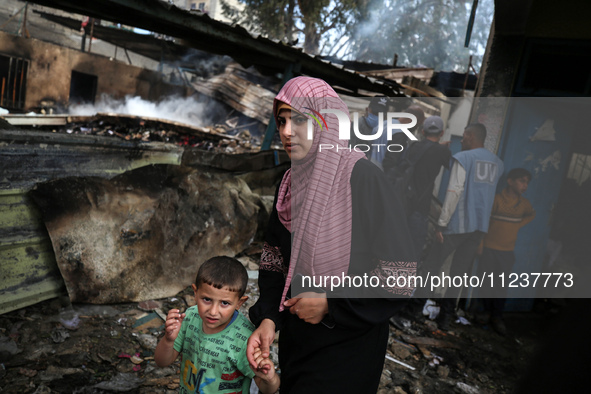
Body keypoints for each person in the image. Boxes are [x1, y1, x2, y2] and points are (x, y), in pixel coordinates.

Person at [247, 76, 416, 393]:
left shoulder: (363, 179)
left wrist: (331, 303)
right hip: (299, 342)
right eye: (281, 120)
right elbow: (274, 260)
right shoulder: (290, 183)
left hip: (349, 345)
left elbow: (399, 274)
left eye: (298, 119)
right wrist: (269, 318)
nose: (285, 132)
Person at [420, 123, 504, 330]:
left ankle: (412, 308)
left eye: (465, 136)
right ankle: (446, 318)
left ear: (471, 136)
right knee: (459, 274)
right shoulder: (497, 164)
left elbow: (453, 192)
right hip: (479, 227)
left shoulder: (464, 158)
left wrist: (441, 223)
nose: (462, 140)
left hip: (457, 224)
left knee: (431, 265)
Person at [154, 256, 280, 394]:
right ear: (195, 293)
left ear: (239, 302)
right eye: (207, 299)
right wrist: (168, 340)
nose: (213, 312)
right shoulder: (190, 317)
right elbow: (162, 361)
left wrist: (270, 379)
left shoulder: (245, 339)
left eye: (224, 303)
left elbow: (267, 389)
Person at [476, 168, 535, 335]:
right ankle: (486, 312)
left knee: (501, 285)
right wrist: (480, 244)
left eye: (527, 183)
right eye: (521, 181)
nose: (525, 185)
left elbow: (531, 215)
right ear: (510, 181)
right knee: (486, 282)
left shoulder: (524, 204)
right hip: (489, 249)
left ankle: (497, 316)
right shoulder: (496, 200)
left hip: (507, 252)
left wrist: (516, 225)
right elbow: (483, 222)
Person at [398, 115, 451, 258]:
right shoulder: (443, 152)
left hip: (402, 205)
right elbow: (453, 169)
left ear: (422, 131)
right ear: (441, 133)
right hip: (420, 208)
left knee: (396, 248)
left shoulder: (414, 146)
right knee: (412, 253)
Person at [349, 95, 389, 168]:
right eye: (374, 112)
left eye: (380, 114)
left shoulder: (383, 131)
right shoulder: (356, 126)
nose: (377, 116)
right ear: (367, 109)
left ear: (385, 116)